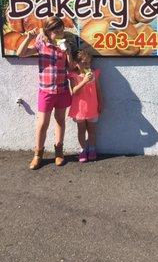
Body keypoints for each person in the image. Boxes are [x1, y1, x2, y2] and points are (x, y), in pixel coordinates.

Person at [17, 16, 73, 170]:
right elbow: (21, 53)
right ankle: (38, 154)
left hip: (62, 89)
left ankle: (59, 151)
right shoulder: (41, 43)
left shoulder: (65, 44)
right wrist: (28, 38)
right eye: (56, 31)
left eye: (61, 30)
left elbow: (71, 68)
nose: (60, 34)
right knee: (42, 124)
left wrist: (68, 52)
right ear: (48, 31)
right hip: (46, 91)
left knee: (60, 120)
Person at [68, 48, 102, 162]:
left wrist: (101, 103)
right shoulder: (73, 76)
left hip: (92, 107)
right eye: (85, 63)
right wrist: (84, 81)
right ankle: (83, 149)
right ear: (76, 64)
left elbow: (98, 89)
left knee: (92, 130)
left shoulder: (94, 74)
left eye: (89, 62)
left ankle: (92, 148)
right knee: (81, 130)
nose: (88, 65)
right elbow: (74, 91)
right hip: (79, 109)